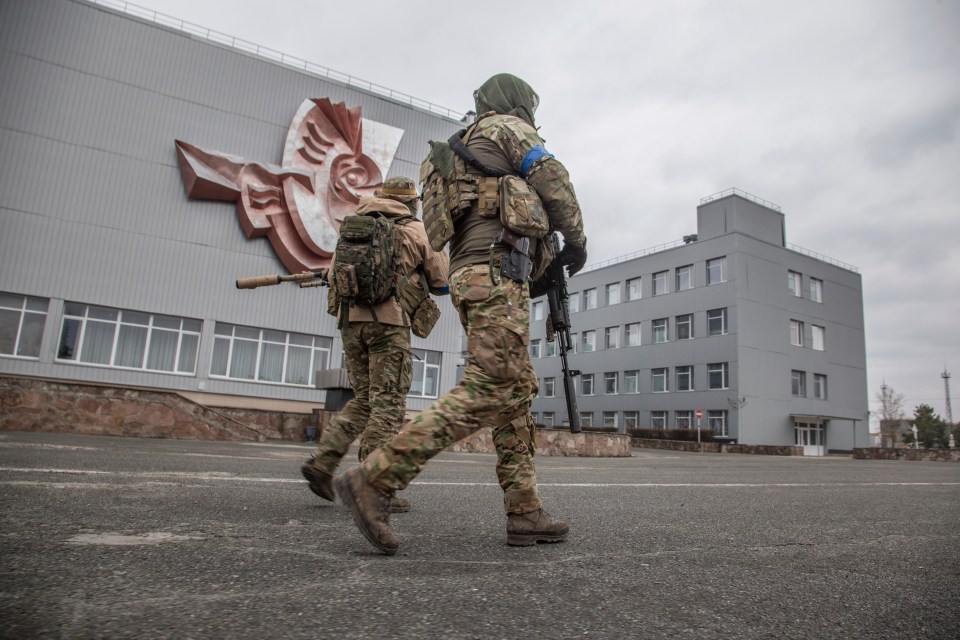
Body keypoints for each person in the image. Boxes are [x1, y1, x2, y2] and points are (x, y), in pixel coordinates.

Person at [335, 73, 588, 554]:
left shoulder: (445, 152)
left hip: (470, 275)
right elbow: (555, 184)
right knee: (493, 384)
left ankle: (525, 510)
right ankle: (377, 478)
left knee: (514, 391)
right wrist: (576, 242)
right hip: (497, 272)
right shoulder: (508, 129)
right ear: (516, 103)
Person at [301, 176, 449, 513]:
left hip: (350, 323)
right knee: (389, 405)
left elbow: (337, 274)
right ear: (412, 202)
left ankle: (323, 463)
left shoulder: (354, 228)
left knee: (365, 400)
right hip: (388, 325)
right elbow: (442, 283)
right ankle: (374, 486)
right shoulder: (415, 230)